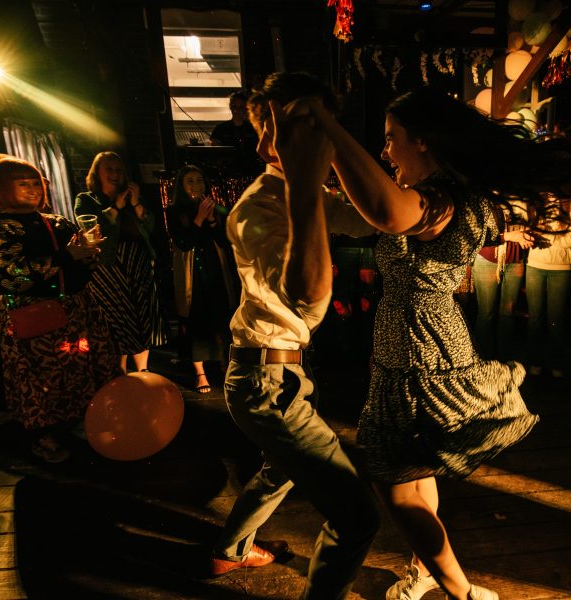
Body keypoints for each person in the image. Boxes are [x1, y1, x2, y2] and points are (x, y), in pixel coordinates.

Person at [303, 87, 571, 600]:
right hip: (408, 350)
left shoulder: (445, 200)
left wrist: (327, 127)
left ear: (424, 142)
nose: (386, 152)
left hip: (422, 353)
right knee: (415, 477)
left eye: (392, 140)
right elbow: (375, 211)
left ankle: (463, 593)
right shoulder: (440, 193)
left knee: (397, 488)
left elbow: (387, 213)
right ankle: (426, 570)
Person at [211, 73, 380, 600]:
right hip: (265, 383)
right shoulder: (257, 209)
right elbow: (307, 299)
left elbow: (373, 220)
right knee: (356, 517)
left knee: (278, 470)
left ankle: (230, 552)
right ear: (270, 140)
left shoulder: (300, 194)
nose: (321, 140)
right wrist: (310, 178)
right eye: (307, 128)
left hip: (276, 375)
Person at [0, 158, 120, 462]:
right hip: (32, 313)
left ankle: (85, 420)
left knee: (81, 367)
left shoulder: (57, 221)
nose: (32, 189)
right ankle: (43, 437)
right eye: (22, 183)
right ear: (3, 188)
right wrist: (66, 257)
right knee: (40, 378)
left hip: (76, 306)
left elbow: (84, 267)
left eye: (35, 182)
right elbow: (11, 275)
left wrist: (88, 252)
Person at [75, 152, 166, 373]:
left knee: (142, 315)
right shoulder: (87, 199)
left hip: (138, 261)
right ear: (97, 172)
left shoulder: (133, 197)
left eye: (119, 170)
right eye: (109, 169)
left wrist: (135, 204)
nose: (115, 174)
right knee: (117, 318)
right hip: (108, 266)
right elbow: (90, 232)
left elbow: (150, 226)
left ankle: (143, 371)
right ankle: (120, 373)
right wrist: (115, 206)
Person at [165, 165, 238, 394]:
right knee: (196, 320)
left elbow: (226, 242)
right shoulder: (174, 211)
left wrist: (213, 221)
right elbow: (183, 242)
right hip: (192, 272)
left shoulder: (215, 207)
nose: (196, 186)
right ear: (181, 186)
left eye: (199, 181)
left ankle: (225, 364)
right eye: (190, 181)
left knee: (221, 315)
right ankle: (200, 372)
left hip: (215, 268)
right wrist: (198, 219)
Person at [525, 196, 571, 378]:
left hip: (561, 268)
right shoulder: (536, 203)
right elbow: (530, 232)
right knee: (535, 318)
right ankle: (535, 362)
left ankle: (556, 362)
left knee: (556, 319)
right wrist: (557, 235)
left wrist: (545, 236)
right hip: (535, 264)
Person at [471, 201, 534, 361]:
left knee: (508, 314)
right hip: (488, 259)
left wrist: (525, 235)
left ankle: (504, 360)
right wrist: (510, 236)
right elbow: (476, 234)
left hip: (515, 260)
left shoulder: (522, 199)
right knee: (486, 313)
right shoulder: (485, 199)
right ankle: (484, 361)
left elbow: (528, 225)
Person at [210, 90, 263, 176]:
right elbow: (216, 153)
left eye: (240, 107)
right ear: (230, 107)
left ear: (246, 108)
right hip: (228, 172)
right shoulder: (220, 129)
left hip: (252, 171)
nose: (236, 110)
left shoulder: (254, 128)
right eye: (234, 106)